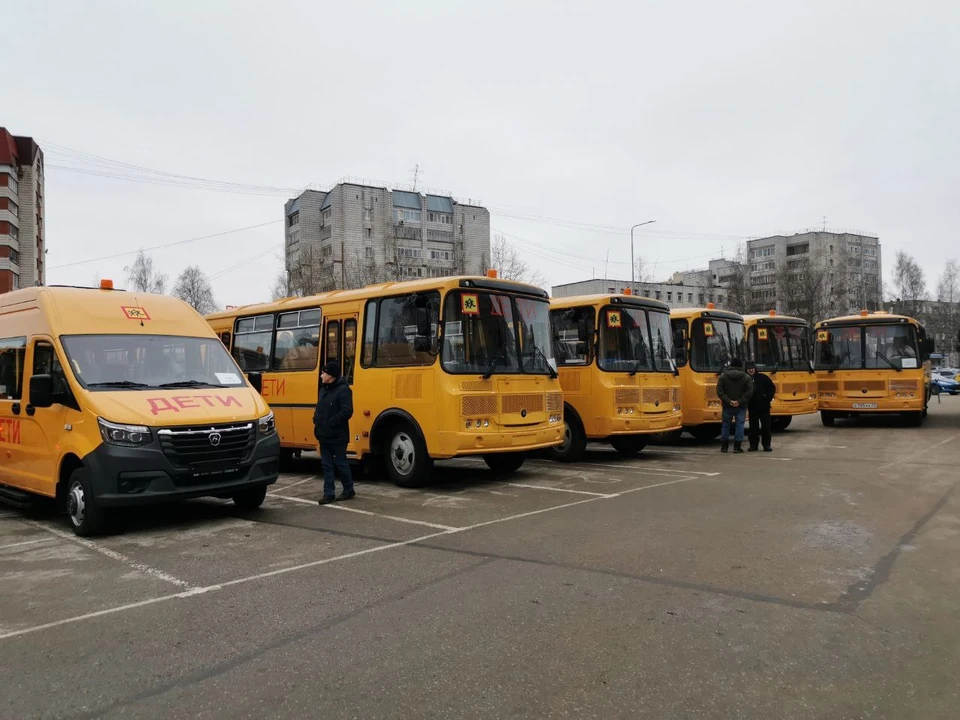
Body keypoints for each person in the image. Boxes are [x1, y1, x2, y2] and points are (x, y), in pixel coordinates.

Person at [313, 361, 355, 504]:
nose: (321, 376)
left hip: (338, 435)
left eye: (323, 373)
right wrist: (316, 420)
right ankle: (328, 493)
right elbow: (319, 407)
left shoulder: (343, 390)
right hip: (324, 435)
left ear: (330, 376)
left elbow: (347, 411)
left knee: (340, 463)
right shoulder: (323, 389)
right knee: (326, 464)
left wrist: (331, 423)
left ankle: (349, 489)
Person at [716, 357, 753, 454]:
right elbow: (749, 392)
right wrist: (739, 401)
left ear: (731, 365)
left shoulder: (723, 377)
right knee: (739, 425)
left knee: (725, 425)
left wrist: (729, 401)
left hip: (727, 406)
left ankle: (724, 447)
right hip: (741, 406)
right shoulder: (746, 377)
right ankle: (737, 447)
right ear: (741, 366)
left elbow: (720, 391)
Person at [745, 361, 776, 452]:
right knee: (753, 428)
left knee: (766, 427)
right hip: (752, 407)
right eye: (749, 369)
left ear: (755, 369)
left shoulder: (763, 377)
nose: (751, 370)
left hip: (764, 407)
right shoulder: (745, 379)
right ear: (746, 370)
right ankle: (753, 445)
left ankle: (766, 445)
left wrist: (767, 397)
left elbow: (772, 388)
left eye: (752, 368)